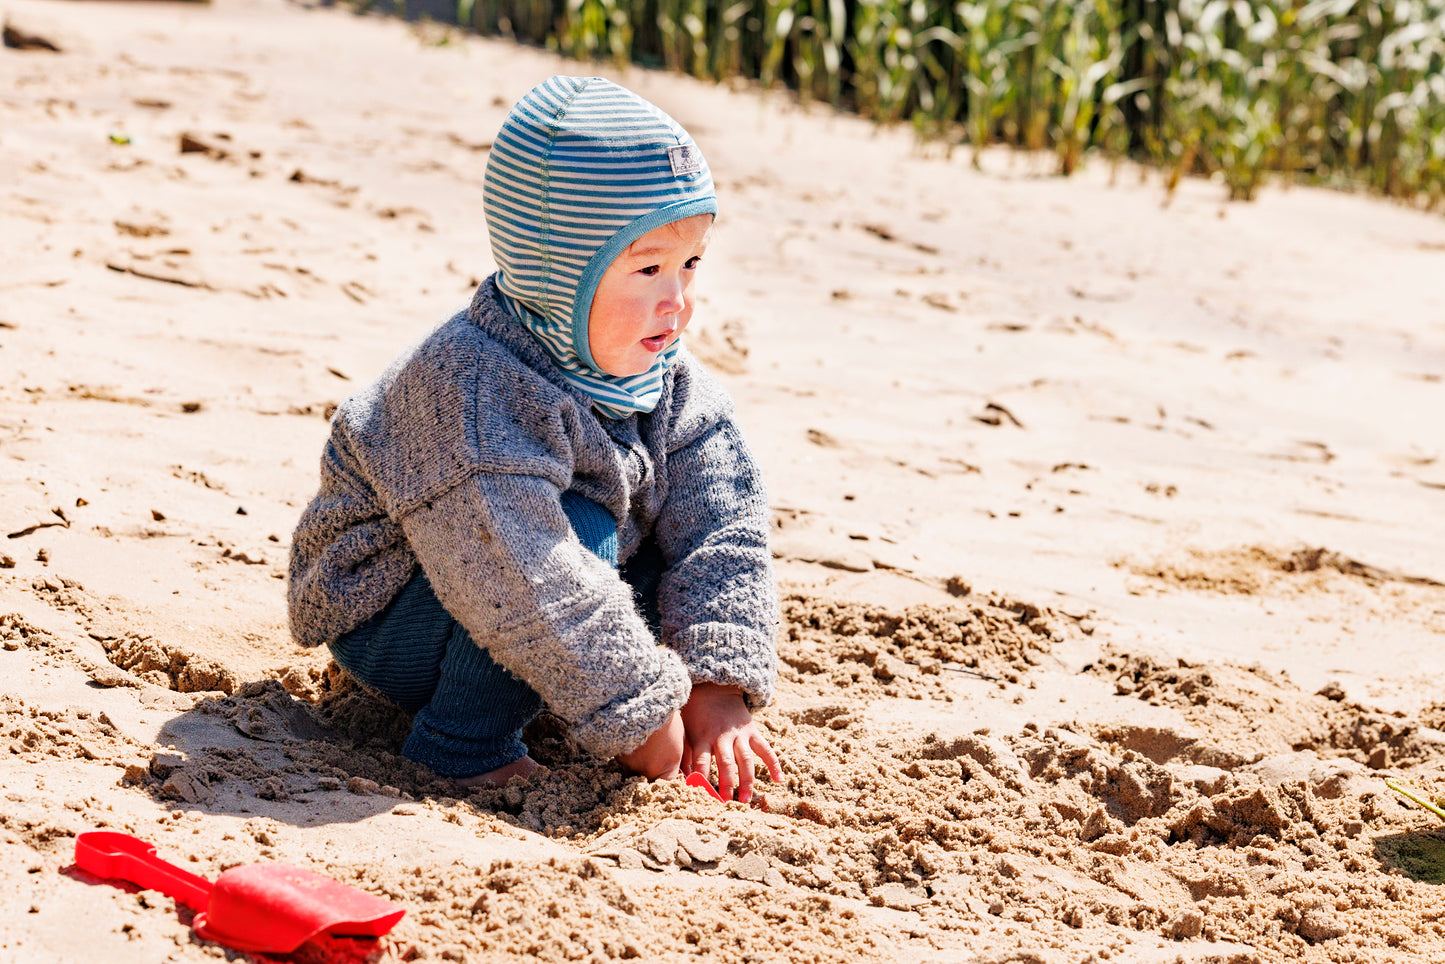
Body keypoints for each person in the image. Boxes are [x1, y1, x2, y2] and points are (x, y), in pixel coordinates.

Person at [287, 75, 781, 802]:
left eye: (690, 263)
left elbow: (722, 530)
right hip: (397, 612)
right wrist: (639, 713)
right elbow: (522, 570)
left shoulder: (667, 381)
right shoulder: (473, 389)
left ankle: (560, 687)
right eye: (646, 268)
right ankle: (460, 744)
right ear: (558, 270)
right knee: (574, 526)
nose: (676, 300)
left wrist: (715, 685)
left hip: (532, 590)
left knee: (662, 539)